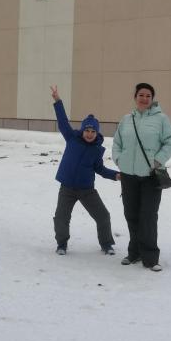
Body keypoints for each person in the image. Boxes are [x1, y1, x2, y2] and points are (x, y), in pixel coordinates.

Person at [112, 83, 171, 272]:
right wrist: (119, 159)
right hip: (128, 175)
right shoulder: (126, 119)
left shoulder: (161, 119)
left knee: (148, 216)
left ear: (152, 99)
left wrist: (158, 160)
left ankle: (150, 257)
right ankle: (134, 253)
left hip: (150, 176)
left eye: (148, 96)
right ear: (135, 97)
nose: (144, 98)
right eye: (141, 95)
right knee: (131, 215)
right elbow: (117, 143)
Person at [51, 85, 120, 256]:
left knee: (103, 216)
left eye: (93, 131)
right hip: (67, 188)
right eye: (87, 130)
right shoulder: (72, 138)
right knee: (61, 218)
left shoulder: (97, 149)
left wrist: (116, 175)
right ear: (82, 131)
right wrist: (58, 101)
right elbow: (62, 122)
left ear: (97, 133)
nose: (90, 134)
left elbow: (100, 169)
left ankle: (106, 244)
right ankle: (62, 244)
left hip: (86, 190)